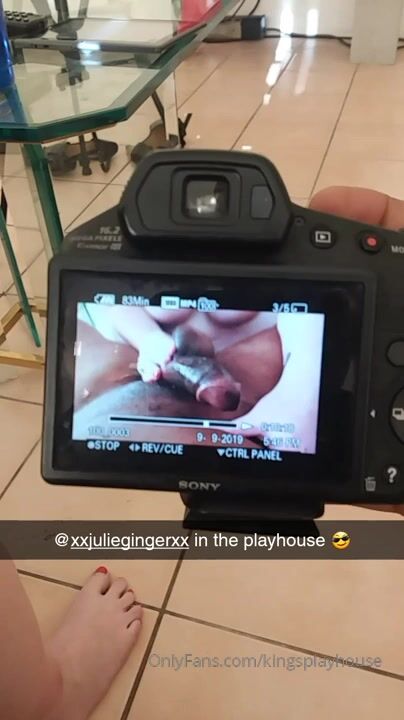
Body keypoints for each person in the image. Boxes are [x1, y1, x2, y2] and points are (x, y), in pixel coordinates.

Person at [1, 184, 404, 720]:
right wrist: (148, 338)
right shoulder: (152, 323)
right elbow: (106, 310)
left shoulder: (285, 311)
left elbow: (313, 313)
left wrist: (299, 384)